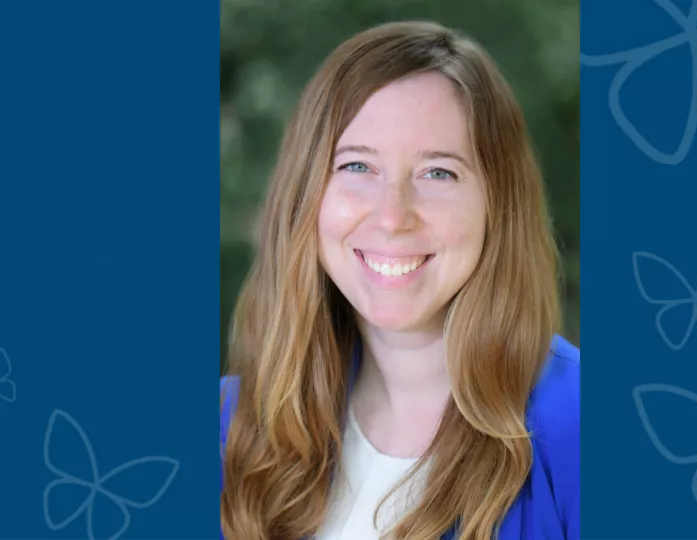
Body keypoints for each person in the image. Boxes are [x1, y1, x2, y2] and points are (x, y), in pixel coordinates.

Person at [220, 20, 580, 540]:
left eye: (438, 173)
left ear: (496, 206)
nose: (393, 216)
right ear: (306, 196)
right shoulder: (229, 424)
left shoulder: (583, 425)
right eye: (357, 166)